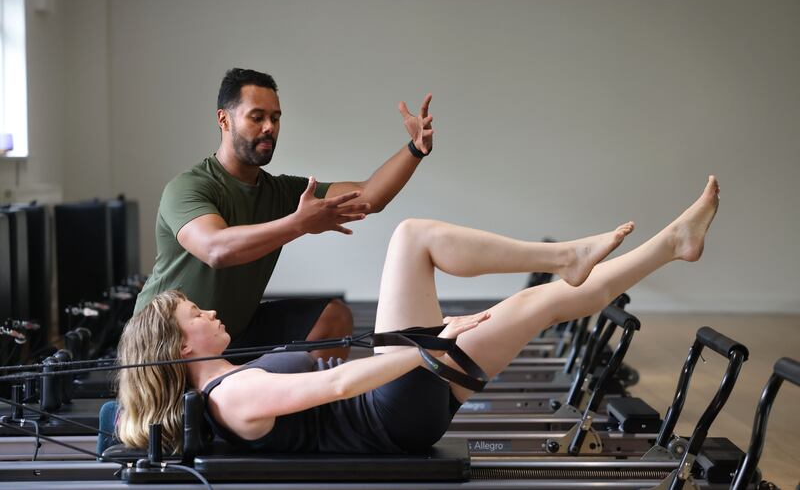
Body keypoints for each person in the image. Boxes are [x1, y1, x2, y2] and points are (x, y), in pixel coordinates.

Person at [117, 176, 720, 455]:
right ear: (180, 345)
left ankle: (670, 244)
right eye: (194, 311)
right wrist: (427, 345)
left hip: (396, 406)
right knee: (412, 238)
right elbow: (340, 384)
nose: (208, 309)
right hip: (388, 410)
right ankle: (568, 256)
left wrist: (422, 346)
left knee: (538, 303)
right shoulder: (230, 395)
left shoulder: (227, 383)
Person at [134, 68, 436, 359]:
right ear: (224, 119)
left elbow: (368, 197)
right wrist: (298, 223)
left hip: (231, 334)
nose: (269, 127)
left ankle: (313, 397)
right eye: (257, 117)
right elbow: (216, 249)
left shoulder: (280, 191)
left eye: (275, 118)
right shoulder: (188, 187)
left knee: (333, 318)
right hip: (164, 344)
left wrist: (415, 149)